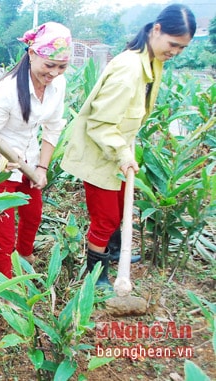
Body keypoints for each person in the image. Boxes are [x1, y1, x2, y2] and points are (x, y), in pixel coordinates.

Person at [61, 4, 196, 287]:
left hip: (117, 151)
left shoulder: (152, 61)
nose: (175, 52)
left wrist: (126, 147)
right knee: (106, 217)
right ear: (156, 30)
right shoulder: (129, 69)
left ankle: (113, 254)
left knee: (121, 206)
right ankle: (96, 276)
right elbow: (100, 123)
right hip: (100, 154)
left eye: (182, 48)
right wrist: (123, 152)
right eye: (173, 44)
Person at [0, 22, 72, 279]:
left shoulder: (58, 85)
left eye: (61, 66)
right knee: (3, 233)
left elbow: (53, 127)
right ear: (32, 54)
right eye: (49, 65)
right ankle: (5, 283)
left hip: (30, 161)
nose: (54, 72)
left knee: (33, 216)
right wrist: (4, 156)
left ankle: (24, 256)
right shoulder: (5, 91)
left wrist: (42, 168)